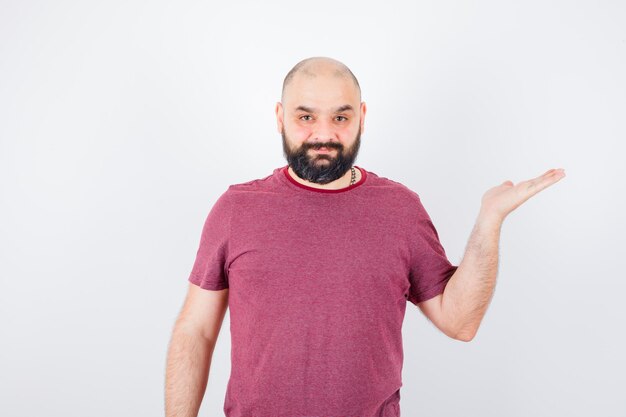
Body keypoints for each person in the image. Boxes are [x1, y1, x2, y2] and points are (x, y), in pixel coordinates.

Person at [164, 56, 566, 417]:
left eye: (340, 118)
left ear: (362, 116)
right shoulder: (237, 209)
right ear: (280, 116)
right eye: (306, 117)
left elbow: (459, 322)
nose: (323, 134)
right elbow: (195, 330)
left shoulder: (400, 210)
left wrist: (489, 220)